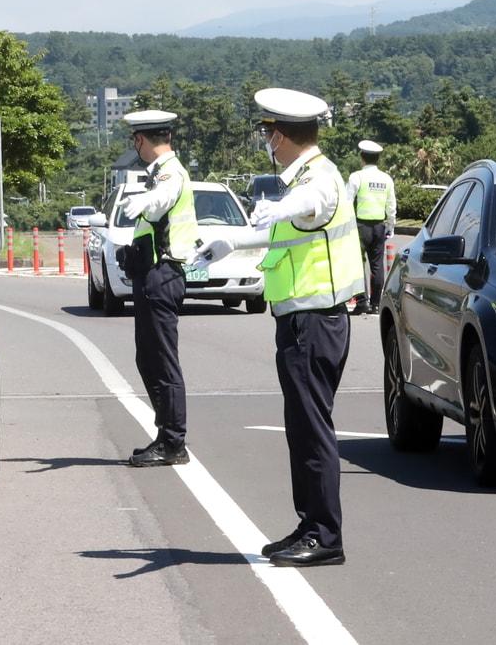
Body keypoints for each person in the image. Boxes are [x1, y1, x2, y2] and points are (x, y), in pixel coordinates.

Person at [196, 88, 364, 567]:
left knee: (312, 429)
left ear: (280, 135)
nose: (266, 140)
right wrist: (234, 241)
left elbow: (316, 203)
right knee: (302, 427)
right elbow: (290, 230)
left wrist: (285, 207)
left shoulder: (319, 178)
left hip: (315, 320)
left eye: (268, 131)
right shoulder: (305, 177)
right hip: (300, 319)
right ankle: (310, 524)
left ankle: (325, 537)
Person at [117, 110, 199, 467]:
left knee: (162, 362)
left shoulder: (169, 173)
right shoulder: (162, 173)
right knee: (148, 358)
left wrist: (144, 202)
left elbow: (165, 196)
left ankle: (172, 441)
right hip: (153, 274)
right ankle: (167, 434)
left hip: (161, 276)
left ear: (140, 140)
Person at [347, 139, 396, 315]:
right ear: (378, 158)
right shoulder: (386, 179)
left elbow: (347, 203)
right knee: (377, 266)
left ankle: (362, 302)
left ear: (362, 157)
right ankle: (376, 304)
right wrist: (390, 225)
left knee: (358, 265)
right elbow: (391, 205)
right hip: (379, 226)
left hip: (360, 227)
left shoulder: (356, 177)